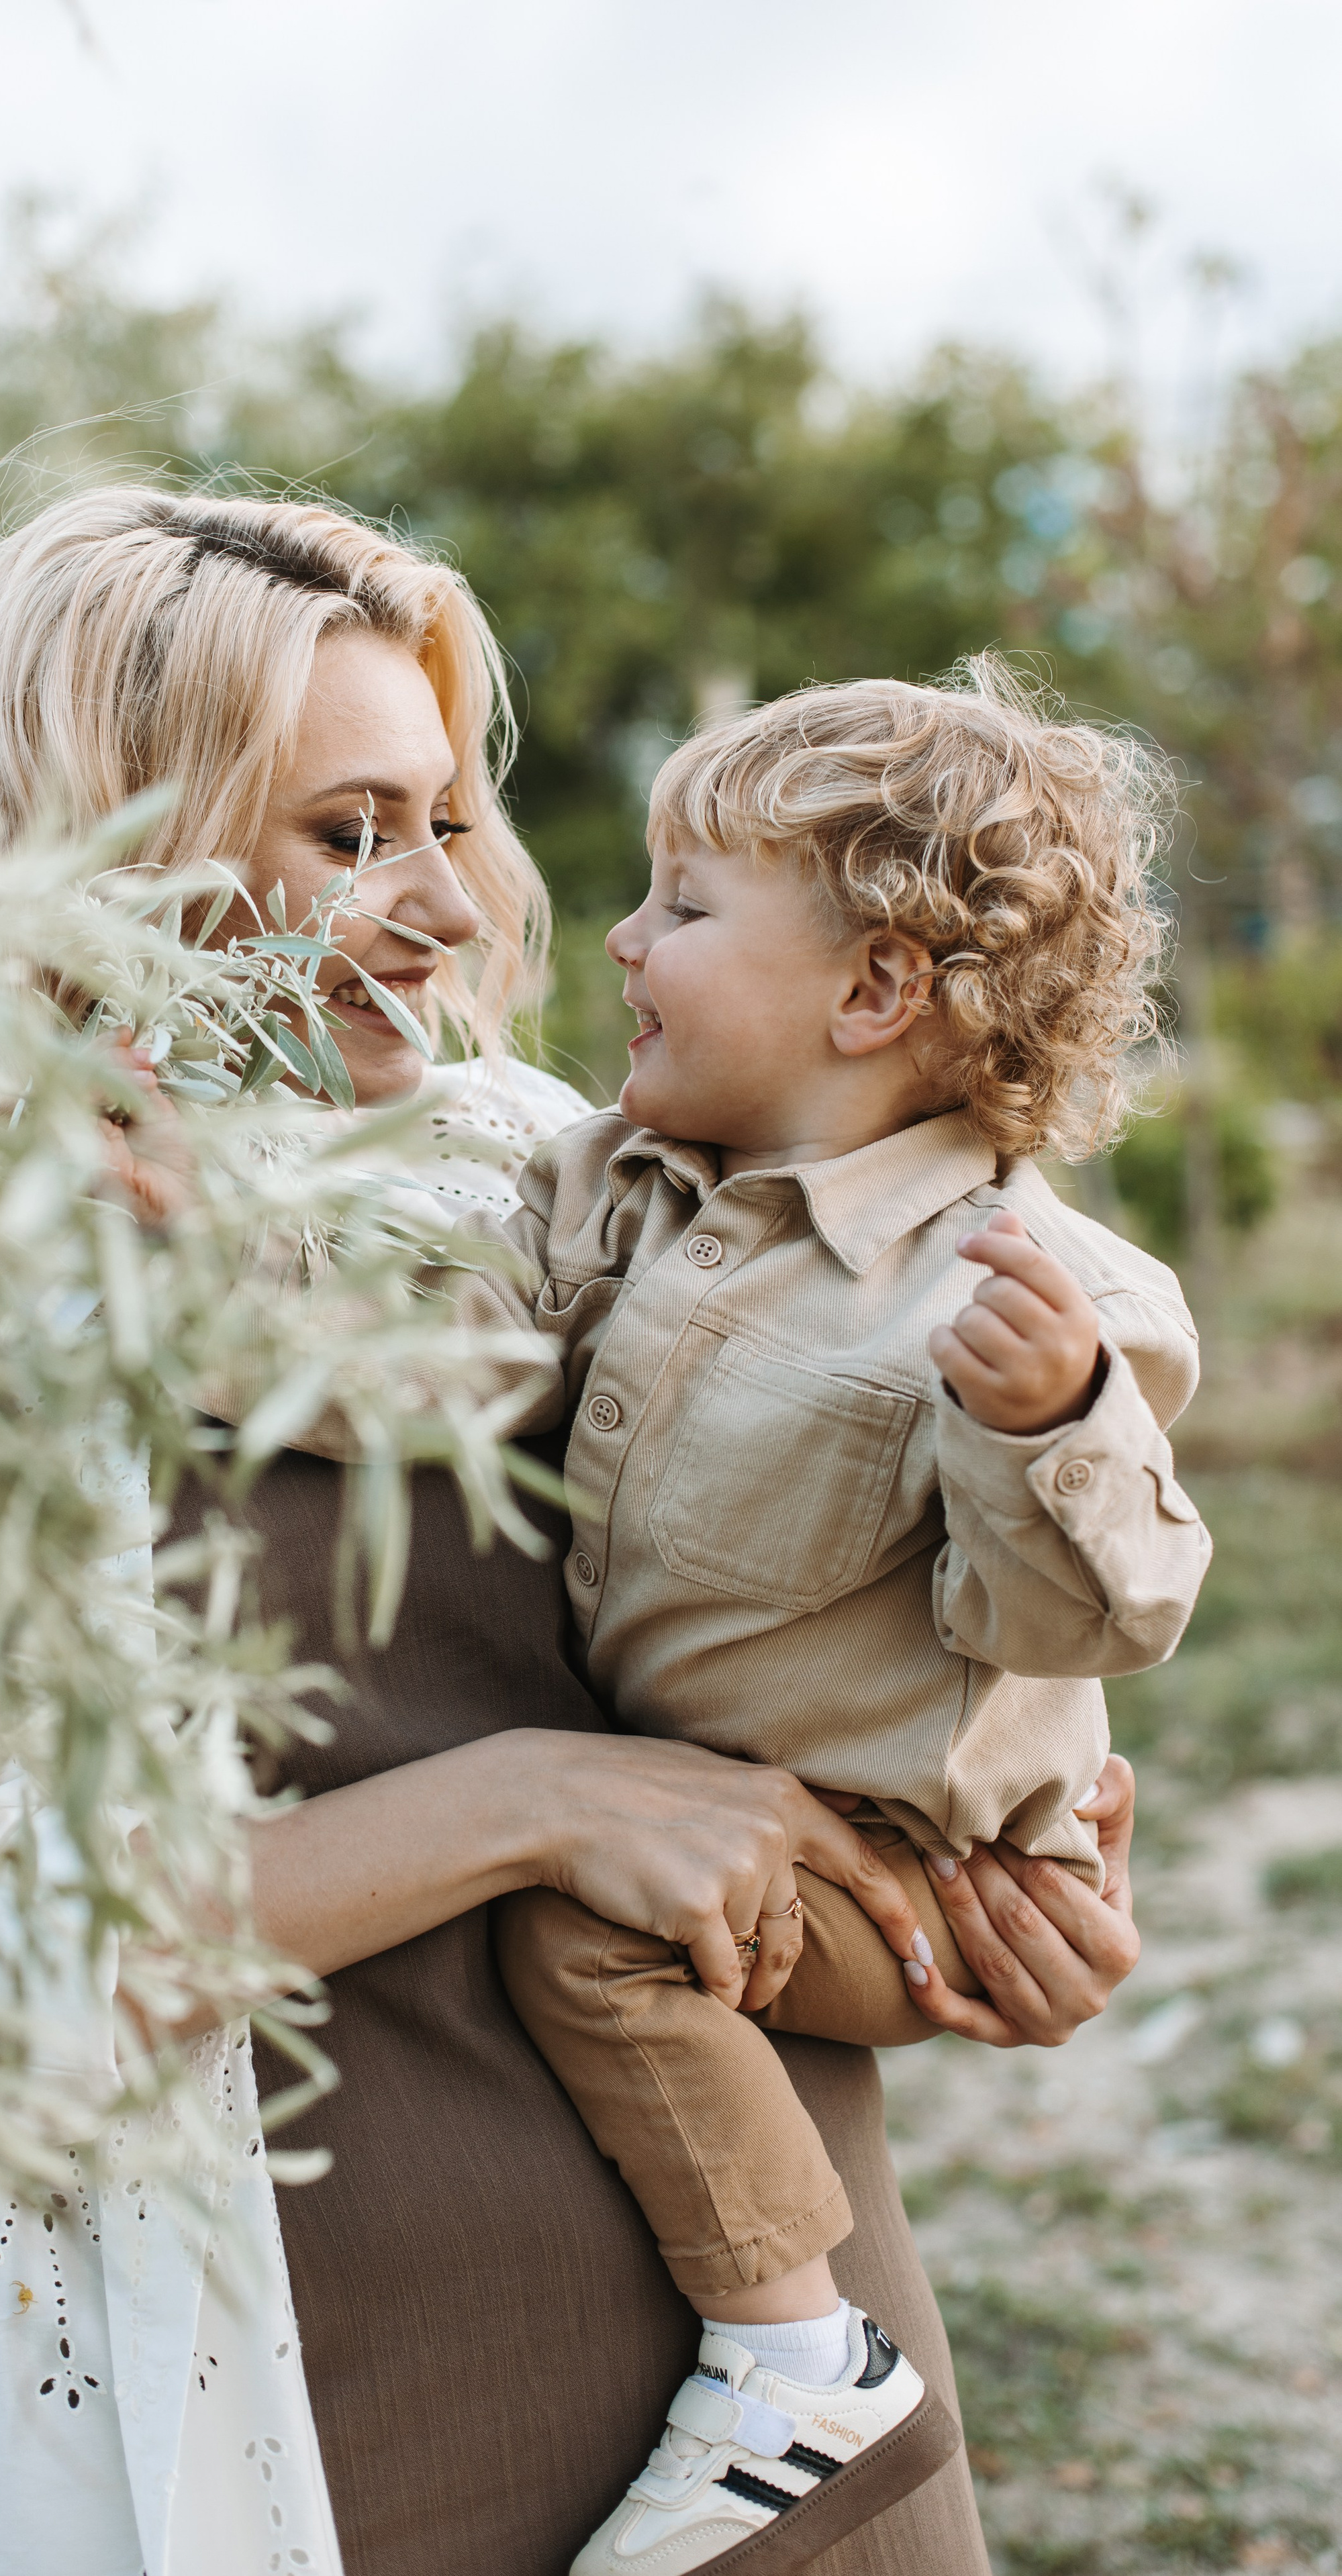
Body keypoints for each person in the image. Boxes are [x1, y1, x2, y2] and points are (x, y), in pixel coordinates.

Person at [0, 480, 1147, 2576]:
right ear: (106, 842)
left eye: (443, 817)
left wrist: (985, 1888)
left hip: (781, 2370)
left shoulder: (549, 1166)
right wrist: (534, 1805)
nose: (450, 904)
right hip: (339, 2408)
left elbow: (849, 1615)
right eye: (353, 833)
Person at [326, 664, 1206, 2575]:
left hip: (908, 1872)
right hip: (730, 1815)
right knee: (617, 1898)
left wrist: (1043, 1420)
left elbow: (1084, 1613)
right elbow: (449, 1353)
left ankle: (793, 2352)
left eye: (685, 907)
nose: (617, 937)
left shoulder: (1028, 1291)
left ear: (874, 992)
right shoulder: (630, 1187)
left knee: (597, 1926)